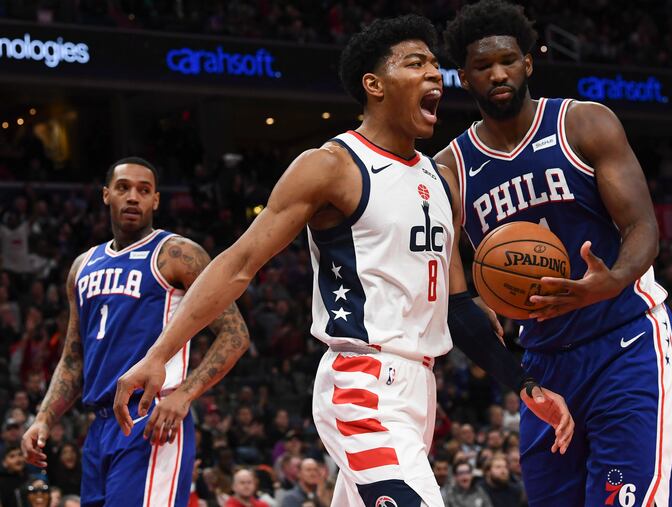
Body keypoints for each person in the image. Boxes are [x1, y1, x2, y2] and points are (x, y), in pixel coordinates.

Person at [113, 15, 571, 507]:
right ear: (373, 85)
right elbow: (238, 263)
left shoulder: (440, 181)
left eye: (436, 65)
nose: (434, 74)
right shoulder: (332, 165)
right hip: (362, 384)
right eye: (415, 63)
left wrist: (525, 385)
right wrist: (158, 355)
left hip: (420, 393)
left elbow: (459, 310)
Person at [436, 1, 672, 505]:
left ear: (528, 62)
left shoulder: (584, 124)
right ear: (464, 77)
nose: (498, 73)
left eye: (507, 59)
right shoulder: (450, 170)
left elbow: (642, 227)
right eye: (482, 66)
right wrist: (470, 299)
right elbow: (451, 282)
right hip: (544, 365)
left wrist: (613, 279)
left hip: (624, 340)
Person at [20, 157, 250, 506]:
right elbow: (72, 358)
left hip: (152, 418)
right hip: (99, 428)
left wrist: (184, 396)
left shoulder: (177, 254)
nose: (133, 197)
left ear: (156, 200)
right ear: (106, 195)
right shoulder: (82, 267)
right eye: (123, 188)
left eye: (144, 190)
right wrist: (43, 419)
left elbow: (235, 335)